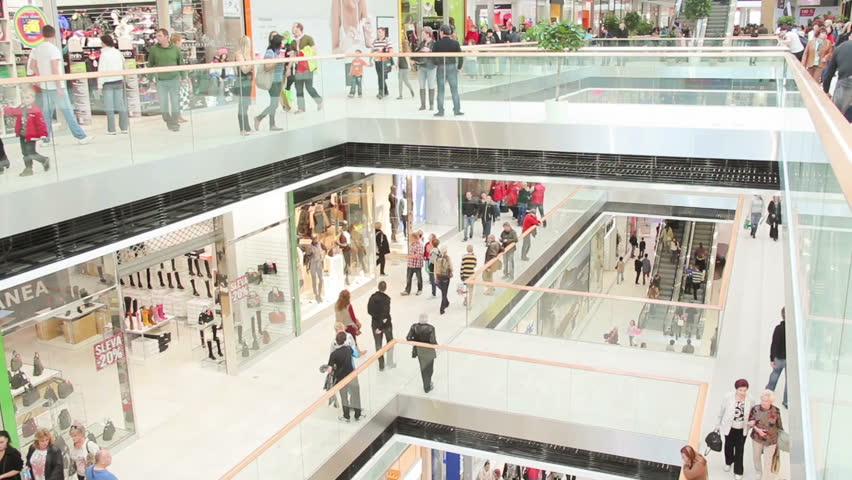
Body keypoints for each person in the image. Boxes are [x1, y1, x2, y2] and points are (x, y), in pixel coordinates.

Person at [27, 25, 94, 145]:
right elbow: (55, 69)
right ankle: (81, 136)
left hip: (45, 85)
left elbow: (32, 66)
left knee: (46, 114)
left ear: (42, 34)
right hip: (56, 86)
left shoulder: (38, 49)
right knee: (68, 112)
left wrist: (41, 76)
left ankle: (45, 139)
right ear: (53, 35)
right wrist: (58, 86)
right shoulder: (54, 50)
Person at [4, 87, 49, 177]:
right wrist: (4, 109)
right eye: (23, 98)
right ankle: (28, 168)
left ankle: (44, 160)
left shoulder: (36, 110)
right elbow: (13, 111)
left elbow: (41, 124)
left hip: (31, 135)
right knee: (25, 153)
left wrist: (43, 134)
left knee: (31, 152)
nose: (25, 100)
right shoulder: (21, 107)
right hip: (22, 134)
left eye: (27, 97)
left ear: (33, 98)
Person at [147, 28, 184, 132]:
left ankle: (175, 123)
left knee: (175, 102)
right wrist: (150, 79)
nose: (157, 38)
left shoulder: (175, 49)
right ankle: (168, 120)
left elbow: (180, 63)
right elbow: (150, 64)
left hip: (174, 79)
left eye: (160, 36)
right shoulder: (154, 49)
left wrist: (184, 77)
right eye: (157, 36)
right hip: (161, 80)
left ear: (166, 37)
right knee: (163, 103)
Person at [715, 379, 753, 479]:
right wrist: (718, 425)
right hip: (729, 428)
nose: (742, 392)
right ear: (736, 389)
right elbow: (721, 411)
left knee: (740, 450)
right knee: (728, 446)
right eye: (740, 390)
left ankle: (738, 471)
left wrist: (752, 423)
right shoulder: (728, 397)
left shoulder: (750, 399)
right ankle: (728, 462)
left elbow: (753, 414)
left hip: (742, 429)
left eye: (744, 390)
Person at [97, 35, 129, 135]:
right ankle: (124, 127)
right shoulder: (118, 52)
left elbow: (101, 70)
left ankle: (111, 129)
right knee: (121, 105)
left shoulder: (104, 55)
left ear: (104, 43)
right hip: (119, 80)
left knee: (109, 107)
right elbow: (124, 66)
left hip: (107, 82)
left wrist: (99, 85)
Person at [750, 390, 784, 480]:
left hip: (771, 440)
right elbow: (750, 422)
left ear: (771, 401)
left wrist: (780, 439)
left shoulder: (776, 411)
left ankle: (766, 477)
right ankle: (758, 472)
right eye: (762, 400)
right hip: (757, 438)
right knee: (756, 457)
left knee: (768, 461)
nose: (763, 403)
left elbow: (779, 425)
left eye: (766, 401)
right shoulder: (755, 409)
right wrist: (758, 430)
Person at [328, 331, 362, 421]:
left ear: (336, 341)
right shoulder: (348, 349)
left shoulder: (334, 354)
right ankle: (357, 414)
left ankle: (346, 416)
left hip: (341, 378)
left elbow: (329, 369)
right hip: (352, 375)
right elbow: (356, 354)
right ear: (344, 340)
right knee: (355, 393)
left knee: (344, 397)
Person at [254, 34, 285, 132]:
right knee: (274, 104)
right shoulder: (270, 52)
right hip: (273, 81)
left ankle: (271, 124)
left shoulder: (279, 52)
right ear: (278, 42)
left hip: (279, 80)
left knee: (274, 103)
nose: (284, 43)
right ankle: (260, 118)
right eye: (283, 41)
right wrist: (277, 61)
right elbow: (267, 67)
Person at [433, 24, 464, 117]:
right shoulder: (455, 43)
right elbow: (460, 57)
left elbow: (433, 58)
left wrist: (437, 64)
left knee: (441, 90)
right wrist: (459, 67)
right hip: (452, 66)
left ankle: (440, 110)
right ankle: (457, 110)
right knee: (454, 89)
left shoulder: (437, 44)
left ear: (442, 32)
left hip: (441, 67)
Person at [292, 23, 324, 113]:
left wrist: (302, 52)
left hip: (307, 67)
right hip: (298, 68)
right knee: (298, 88)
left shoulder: (308, 38)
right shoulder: (293, 41)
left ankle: (319, 100)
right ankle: (301, 108)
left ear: (300, 29)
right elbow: (291, 53)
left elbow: (314, 50)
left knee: (309, 87)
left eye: (295, 28)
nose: (293, 31)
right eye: (293, 29)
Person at [407, 313, 438, 392]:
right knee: (430, 368)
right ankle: (428, 384)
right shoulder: (431, 328)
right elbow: (432, 341)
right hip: (429, 351)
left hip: (419, 350)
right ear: (426, 319)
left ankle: (426, 385)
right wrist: (436, 345)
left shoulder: (414, 327)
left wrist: (416, 342)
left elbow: (408, 338)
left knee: (423, 368)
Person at [822, 36, 852, 118]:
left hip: (846, 81)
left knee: (837, 114)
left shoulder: (840, 47)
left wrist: (826, 90)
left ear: (849, 37)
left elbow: (829, 72)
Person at [368, 281, 395, 370]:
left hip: (375, 324)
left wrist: (377, 321)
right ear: (385, 288)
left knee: (378, 344)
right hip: (386, 325)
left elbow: (369, 311)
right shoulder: (386, 299)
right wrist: (381, 325)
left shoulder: (372, 298)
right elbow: (385, 315)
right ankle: (390, 362)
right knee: (390, 343)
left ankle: (381, 364)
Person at [766, 307, 787, 408]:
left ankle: (768, 394)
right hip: (790, 359)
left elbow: (774, 344)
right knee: (789, 381)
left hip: (779, 357)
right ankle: (786, 401)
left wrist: (772, 358)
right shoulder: (795, 330)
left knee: (775, 375)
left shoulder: (779, 328)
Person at [234, 36, 255, 135]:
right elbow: (244, 70)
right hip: (242, 82)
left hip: (248, 82)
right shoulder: (239, 55)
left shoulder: (247, 55)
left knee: (246, 105)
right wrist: (252, 64)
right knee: (242, 105)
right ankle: (242, 128)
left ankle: (247, 127)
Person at [414, 27, 437, 111]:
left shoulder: (434, 43)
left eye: (423, 33)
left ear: (428, 33)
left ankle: (431, 105)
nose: (422, 34)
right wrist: (420, 50)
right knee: (421, 86)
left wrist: (429, 51)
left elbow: (437, 54)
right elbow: (416, 52)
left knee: (431, 85)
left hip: (431, 67)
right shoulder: (421, 43)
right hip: (422, 66)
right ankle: (423, 105)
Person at [371, 27, 393, 99]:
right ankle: (386, 91)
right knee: (380, 77)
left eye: (380, 32)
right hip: (377, 61)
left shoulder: (387, 40)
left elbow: (391, 51)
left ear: (384, 32)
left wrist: (382, 52)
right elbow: (372, 51)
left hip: (384, 61)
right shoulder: (375, 41)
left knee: (381, 77)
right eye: (378, 32)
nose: (378, 33)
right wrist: (370, 60)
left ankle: (381, 92)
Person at [434, 245, 453, 314]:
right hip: (445, 277)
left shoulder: (437, 258)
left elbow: (435, 269)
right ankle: (442, 309)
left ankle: (447, 302)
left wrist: (435, 277)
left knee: (443, 291)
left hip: (439, 276)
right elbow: (451, 268)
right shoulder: (447, 258)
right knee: (444, 293)